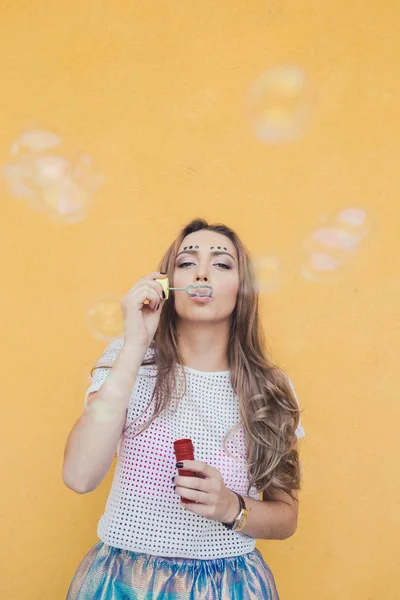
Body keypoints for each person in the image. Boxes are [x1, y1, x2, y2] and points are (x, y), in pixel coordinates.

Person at [63, 218, 306, 599]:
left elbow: (286, 517)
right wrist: (134, 343)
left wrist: (230, 506)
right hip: (126, 584)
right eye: (187, 262)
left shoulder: (269, 388)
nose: (202, 272)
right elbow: (79, 476)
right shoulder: (129, 362)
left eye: (222, 264)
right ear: (166, 284)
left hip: (230, 587)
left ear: (242, 289)